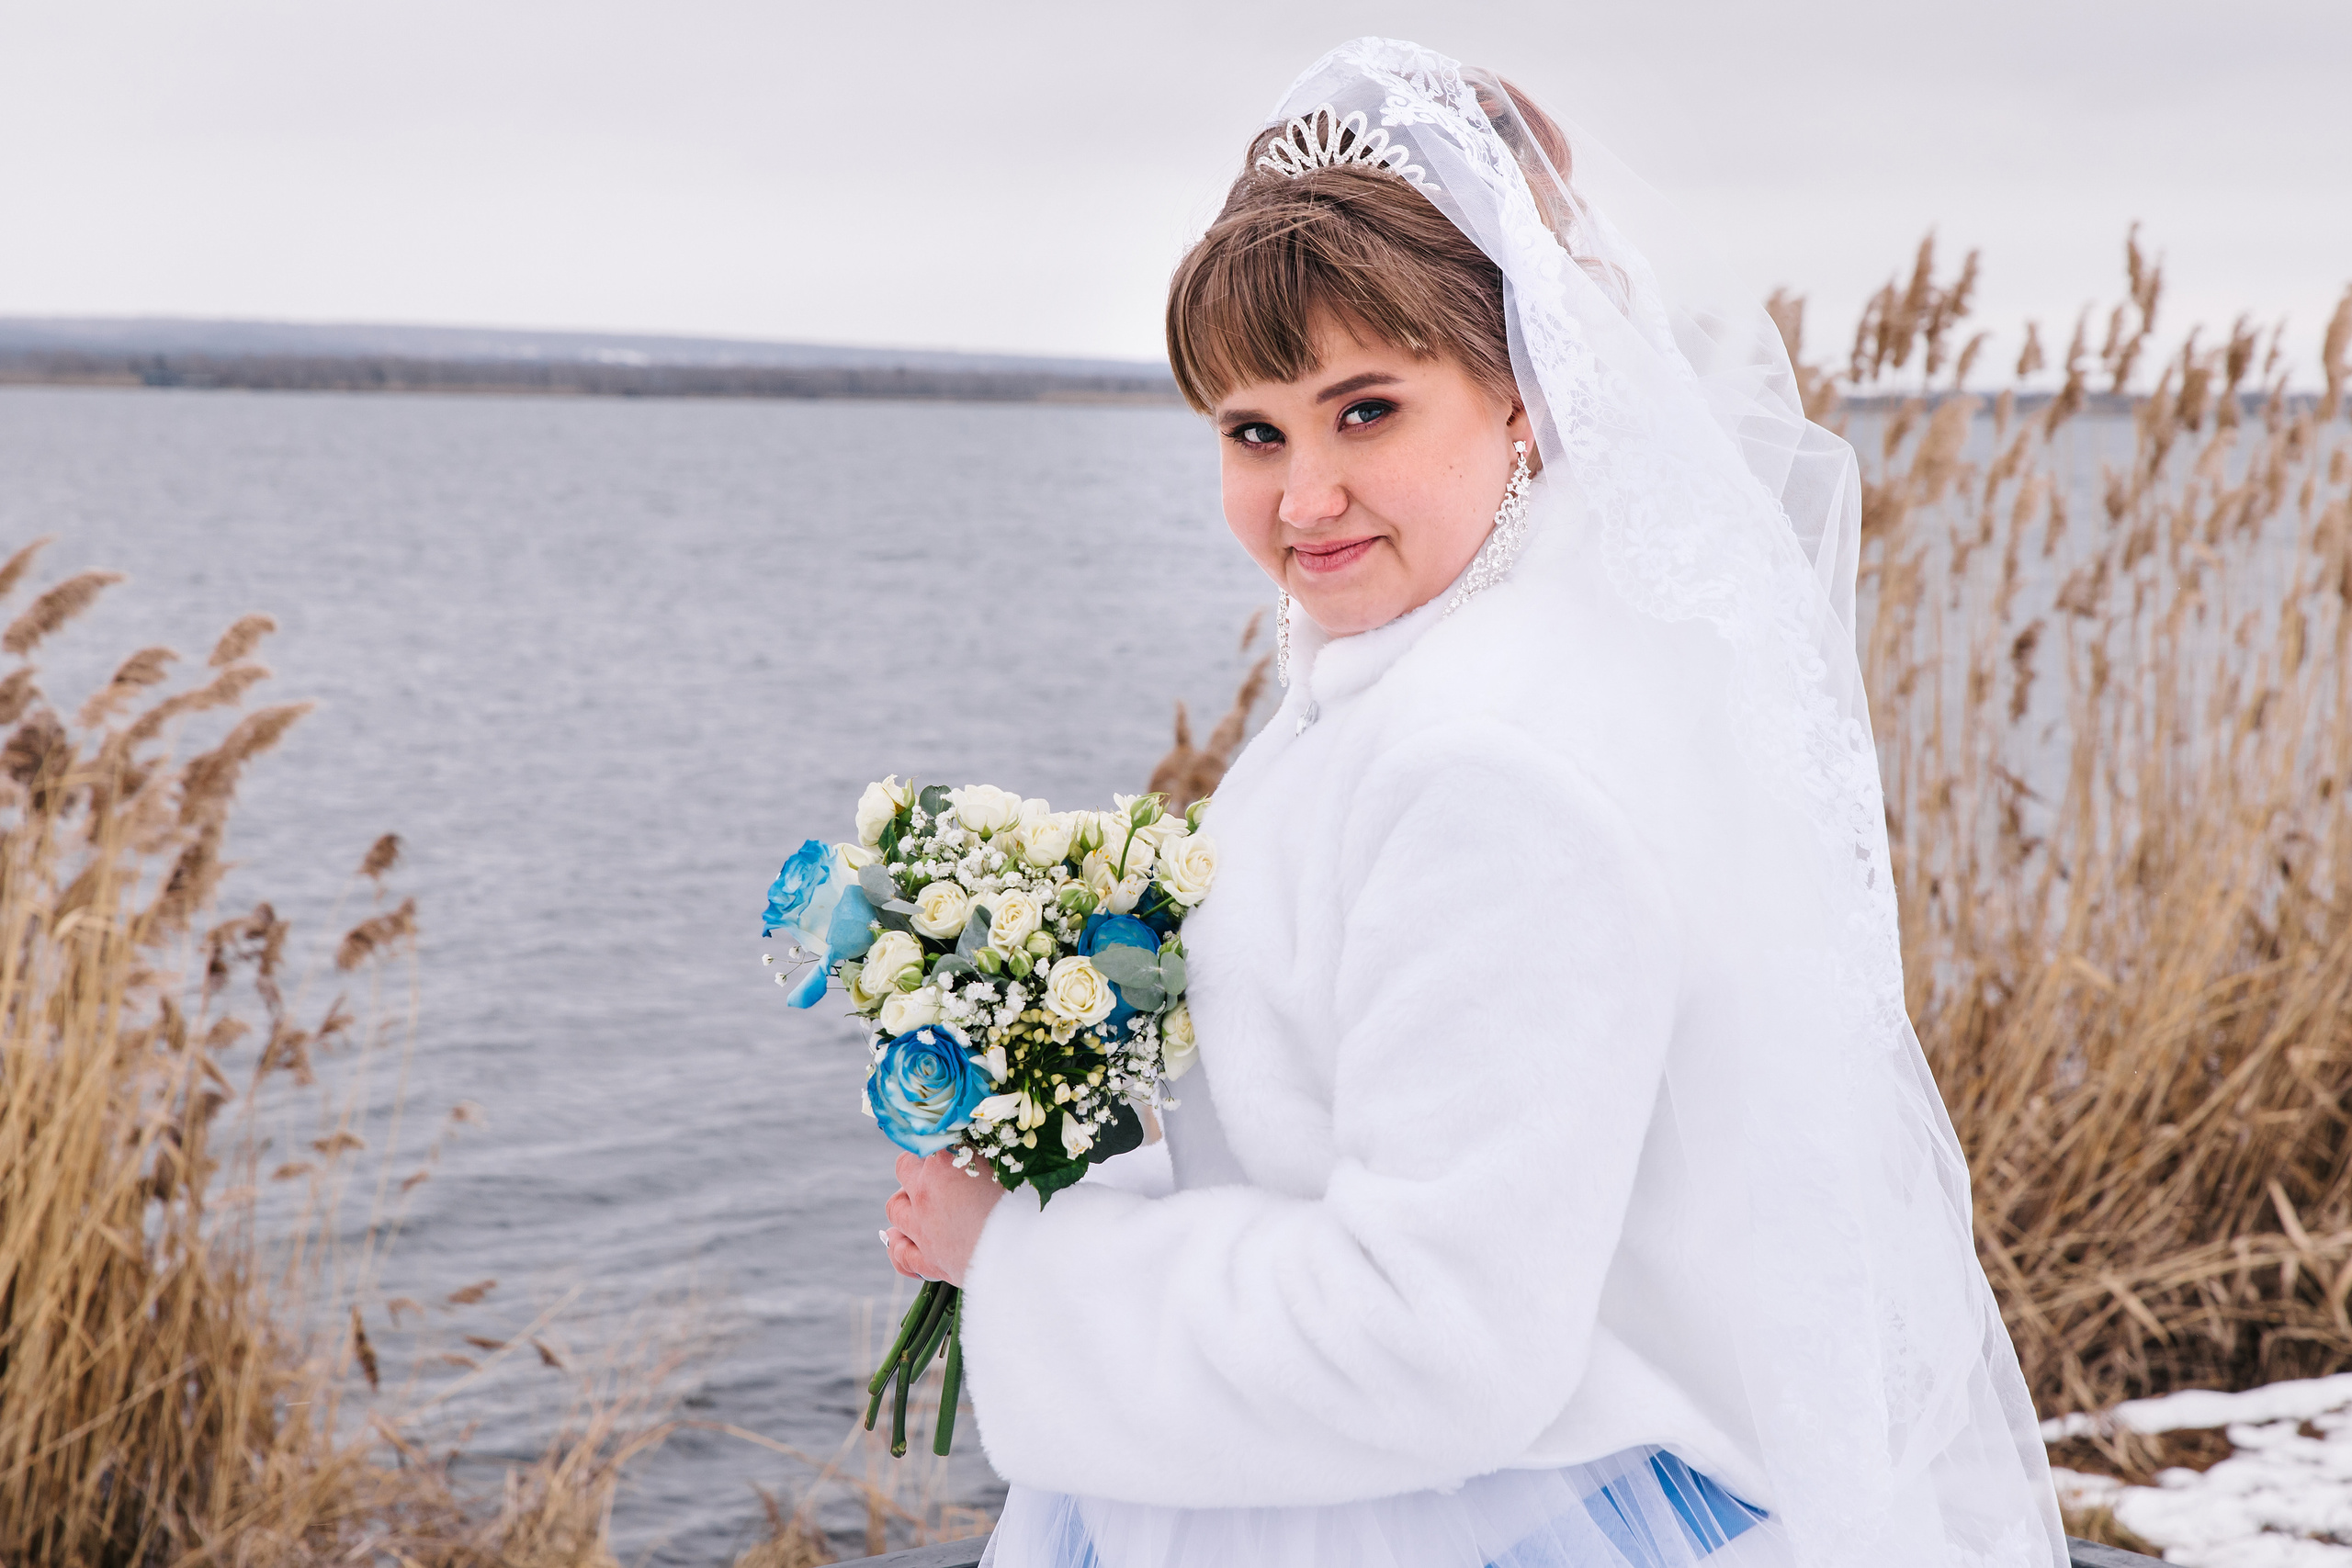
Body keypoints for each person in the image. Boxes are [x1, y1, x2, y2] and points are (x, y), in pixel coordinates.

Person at [881, 37, 2066, 1568]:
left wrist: (1030, 1261)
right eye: (1254, 432)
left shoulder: (1490, 765)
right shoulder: (1419, 679)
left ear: (1521, 394)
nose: (1302, 497)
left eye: (1365, 411)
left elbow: (1433, 1336)